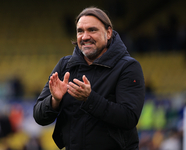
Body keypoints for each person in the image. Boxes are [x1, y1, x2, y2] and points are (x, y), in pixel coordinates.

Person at [33, 7, 145, 150]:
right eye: (80, 31)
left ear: (108, 32)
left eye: (92, 30)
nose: (85, 36)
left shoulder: (128, 67)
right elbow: (39, 116)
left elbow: (129, 118)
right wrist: (55, 101)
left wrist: (90, 99)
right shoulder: (65, 65)